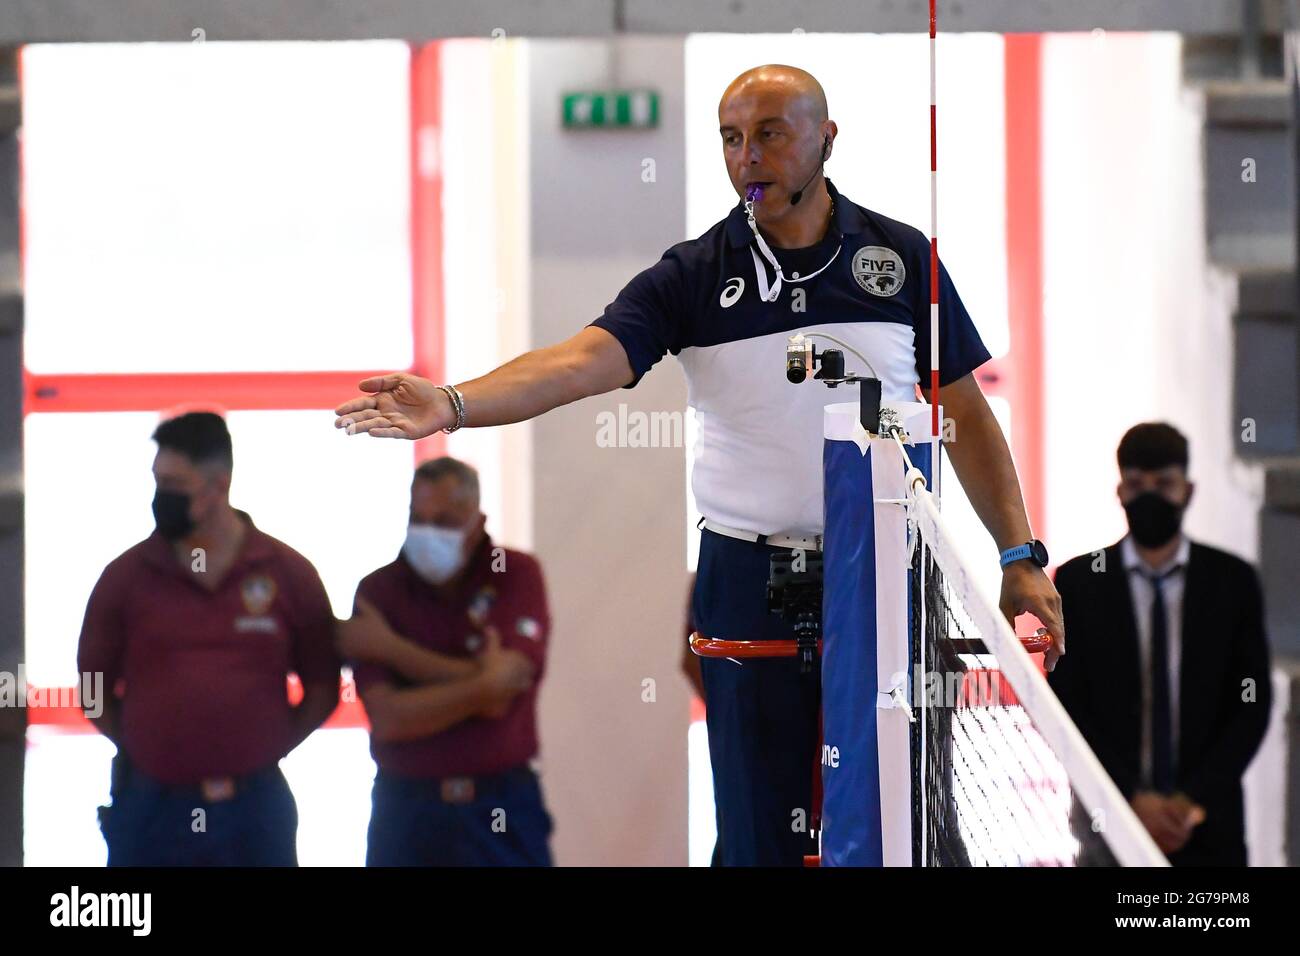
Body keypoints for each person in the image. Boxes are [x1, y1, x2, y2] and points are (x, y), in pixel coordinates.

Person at [333, 65, 1062, 866]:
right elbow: (581, 360)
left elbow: (963, 412)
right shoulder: (693, 274)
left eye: (771, 134)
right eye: (730, 138)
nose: (748, 155)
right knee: (758, 833)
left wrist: (1020, 555)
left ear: (826, 138)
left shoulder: (902, 258)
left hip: (888, 576)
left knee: (907, 824)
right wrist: (453, 402)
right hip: (748, 577)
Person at [78, 412, 340, 866]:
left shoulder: (286, 572)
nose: (162, 496)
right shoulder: (126, 577)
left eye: (176, 484)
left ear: (218, 487)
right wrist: (145, 746)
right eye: (158, 481)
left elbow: (322, 684)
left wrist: (265, 746)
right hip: (152, 805)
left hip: (254, 808)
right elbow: (93, 687)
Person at [1048, 423, 1272, 865]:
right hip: (1107, 822)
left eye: (1164, 484)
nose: (1149, 497)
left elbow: (1251, 702)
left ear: (1188, 491)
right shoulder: (1078, 584)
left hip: (1207, 824)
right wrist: (1130, 799)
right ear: (1119, 492)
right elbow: (1068, 705)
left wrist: (1190, 800)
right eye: (1137, 484)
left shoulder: (1232, 581)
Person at [338, 456, 552, 866]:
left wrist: (392, 649)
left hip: (501, 801)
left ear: (477, 521)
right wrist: (483, 683)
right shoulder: (378, 591)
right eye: (419, 519)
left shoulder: (515, 574)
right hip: (408, 807)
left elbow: (507, 685)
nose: (429, 532)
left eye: (446, 521)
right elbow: (391, 719)